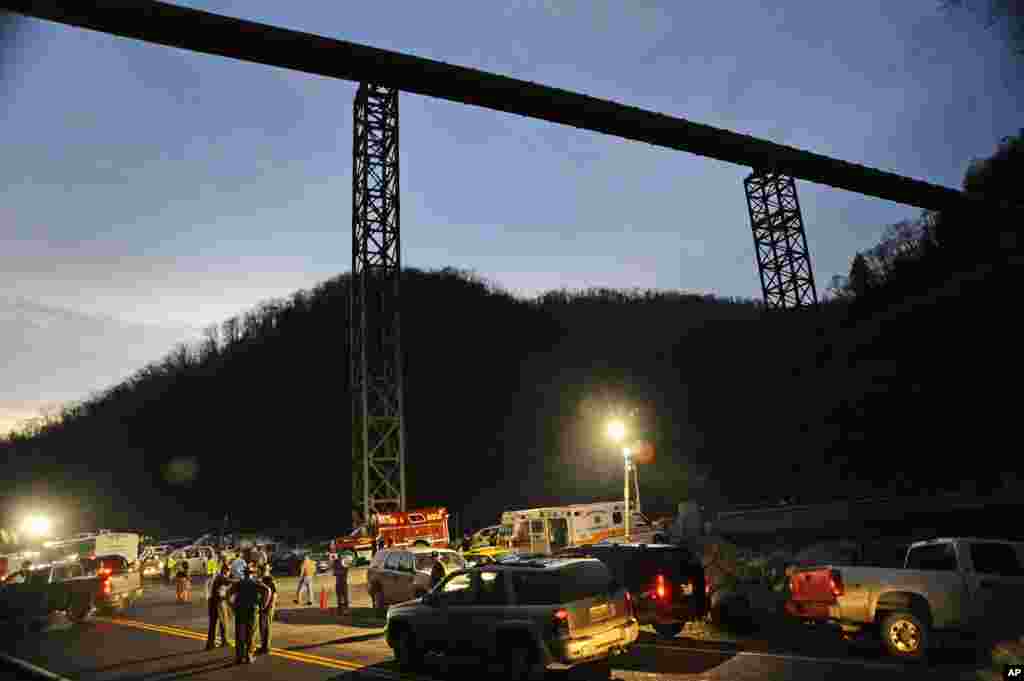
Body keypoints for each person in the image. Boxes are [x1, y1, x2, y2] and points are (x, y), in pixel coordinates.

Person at [227, 566, 269, 665]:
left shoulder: (239, 583)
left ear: (244, 573)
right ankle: (249, 655)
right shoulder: (256, 582)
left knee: (239, 633)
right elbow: (267, 590)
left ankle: (239, 657)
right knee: (251, 634)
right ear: (252, 573)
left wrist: (231, 605)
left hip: (240, 610)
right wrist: (263, 604)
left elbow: (228, 593)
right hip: (252, 610)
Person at [205, 564, 234, 650]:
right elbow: (229, 581)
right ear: (224, 570)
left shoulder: (217, 577)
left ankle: (210, 644)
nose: (229, 571)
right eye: (228, 570)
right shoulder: (221, 577)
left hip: (213, 602)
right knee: (223, 623)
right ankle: (223, 641)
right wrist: (242, 581)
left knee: (214, 624)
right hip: (218, 602)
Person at [256, 564, 277, 655]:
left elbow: (274, 595)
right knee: (262, 627)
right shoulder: (262, 579)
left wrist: (270, 606)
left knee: (266, 627)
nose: (259, 572)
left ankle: (266, 647)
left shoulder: (270, 580)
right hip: (262, 606)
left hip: (267, 607)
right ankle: (264, 646)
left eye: (260, 570)